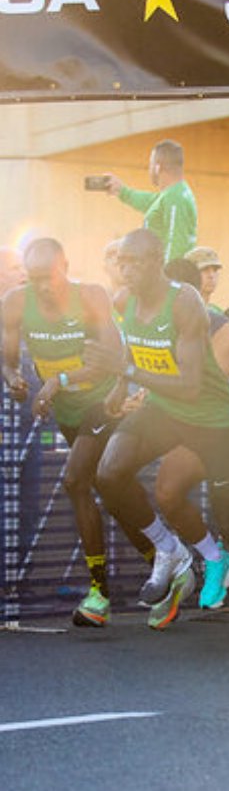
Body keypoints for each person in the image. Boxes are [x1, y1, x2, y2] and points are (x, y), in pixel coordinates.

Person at [87, 229, 229, 644]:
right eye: (122, 263)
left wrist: (126, 372)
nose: (126, 271)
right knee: (108, 472)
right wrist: (120, 389)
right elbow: (135, 351)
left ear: (156, 262)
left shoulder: (185, 302)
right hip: (164, 411)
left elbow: (190, 385)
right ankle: (168, 549)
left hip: (212, 419)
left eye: (135, 262)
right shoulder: (124, 301)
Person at [1, 238, 156, 627]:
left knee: (74, 480)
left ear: (65, 267)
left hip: (104, 403)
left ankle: (100, 592)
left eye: (47, 277)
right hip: (70, 413)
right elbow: (8, 362)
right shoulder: (16, 303)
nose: (41, 286)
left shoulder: (91, 297)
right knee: (111, 492)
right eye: (33, 279)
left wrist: (57, 381)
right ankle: (163, 559)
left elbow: (110, 362)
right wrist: (14, 379)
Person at [103, 139, 197, 262]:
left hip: (166, 276)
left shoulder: (175, 198)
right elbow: (149, 202)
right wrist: (122, 191)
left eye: (150, 164)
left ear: (158, 168)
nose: (149, 169)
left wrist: (167, 278)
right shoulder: (172, 194)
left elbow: (176, 242)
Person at [185, 246, 224, 311]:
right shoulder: (180, 310)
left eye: (215, 270)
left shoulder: (217, 311)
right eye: (204, 269)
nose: (211, 275)